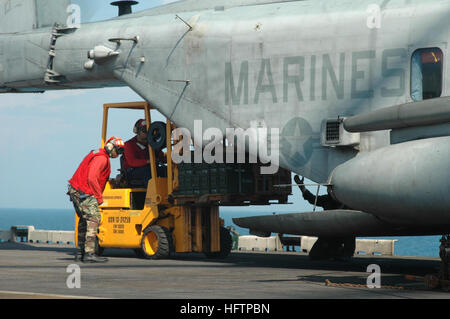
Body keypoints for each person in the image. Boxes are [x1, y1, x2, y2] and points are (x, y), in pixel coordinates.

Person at [67, 137, 125, 263]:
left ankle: (81, 253)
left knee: (84, 220)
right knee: (94, 219)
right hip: (84, 192)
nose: (118, 154)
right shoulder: (102, 158)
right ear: (111, 148)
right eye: (118, 151)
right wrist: (99, 198)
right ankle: (89, 254)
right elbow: (92, 178)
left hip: (75, 189)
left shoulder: (96, 154)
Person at [123, 119, 151, 184]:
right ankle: (152, 192)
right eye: (144, 130)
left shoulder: (152, 144)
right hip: (132, 171)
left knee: (165, 170)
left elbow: (161, 157)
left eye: (149, 130)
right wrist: (148, 161)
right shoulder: (129, 144)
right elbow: (132, 162)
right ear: (137, 131)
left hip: (149, 168)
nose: (147, 132)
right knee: (148, 171)